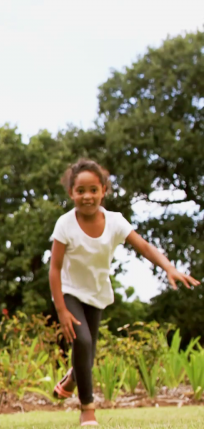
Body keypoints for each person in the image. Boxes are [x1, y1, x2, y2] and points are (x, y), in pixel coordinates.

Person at [49, 159, 200, 426]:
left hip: (96, 294)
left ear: (104, 190)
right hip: (70, 291)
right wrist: (60, 308)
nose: (87, 196)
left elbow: (143, 247)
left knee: (88, 355)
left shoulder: (115, 222)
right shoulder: (65, 224)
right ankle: (88, 408)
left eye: (93, 190)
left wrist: (168, 267)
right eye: (80, 190)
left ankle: (73, 377)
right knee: (82, 342)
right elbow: (55, 268)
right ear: (71, 192)